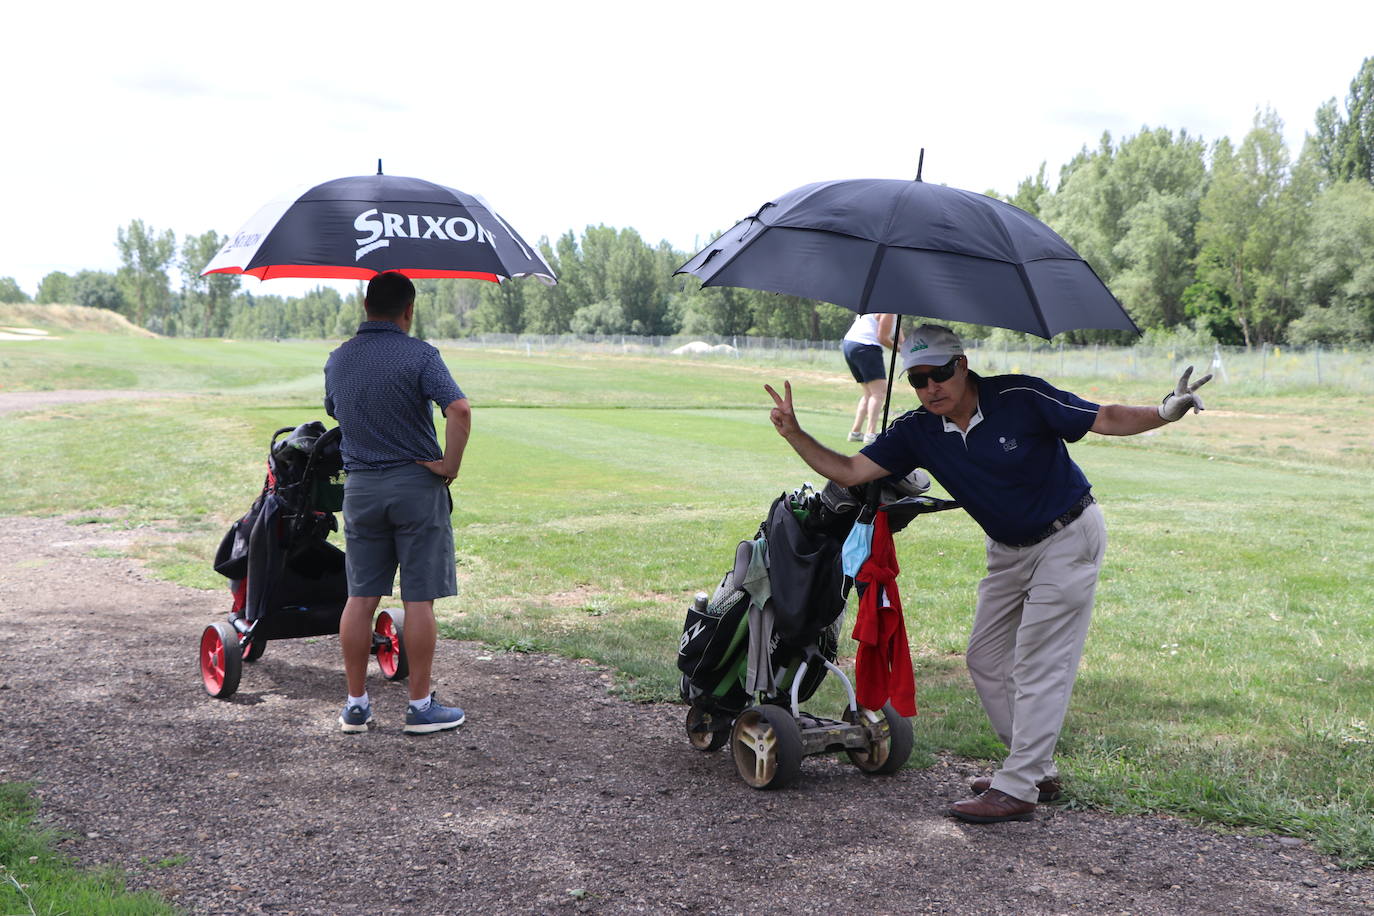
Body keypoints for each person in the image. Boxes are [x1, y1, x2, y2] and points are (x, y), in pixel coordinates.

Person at [764, 323, 1211, 823]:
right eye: (917, 379)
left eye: (939, 374)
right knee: (985, 658)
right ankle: (1035, 768)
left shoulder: (1019, 395)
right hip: (1008, 549)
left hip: (1068, 535)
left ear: (963, 365)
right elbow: (848, 471)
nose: (931, 387)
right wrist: (794, 433)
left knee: (1039, 663)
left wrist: (1163, 411)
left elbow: (1101, 417)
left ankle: (1019, 785)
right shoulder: (918, 429)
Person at [323, 271, 472, 736]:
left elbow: (334, 409)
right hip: (414, 486)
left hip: (361, 489)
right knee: (419, 599)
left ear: (366, 307)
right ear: (408, 310)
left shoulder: (339, 359)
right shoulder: (421, 355)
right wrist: (449, 464)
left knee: (360, 599)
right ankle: (421, 707)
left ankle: (355, 706)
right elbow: (460, 409)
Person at [841, 312, 897, 444]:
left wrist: (904, 345)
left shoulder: (880, 305)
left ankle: (855, 432)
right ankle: (871, 434)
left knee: (869, 393)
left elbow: (897, 329)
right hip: (866, 346)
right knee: (879, 393)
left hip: (850, 344)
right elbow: (883, 338)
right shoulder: (889, 309)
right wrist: (899, 349)